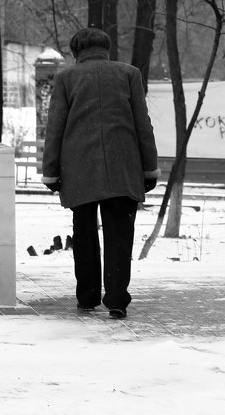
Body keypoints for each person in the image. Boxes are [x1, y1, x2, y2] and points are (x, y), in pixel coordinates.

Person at [41, 27, 160, 319]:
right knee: (120, 235)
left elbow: (55, 126)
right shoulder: (129, 74)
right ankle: (117, 298)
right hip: (123, 166)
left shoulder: (66, 78)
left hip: (79, 168)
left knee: (84, 234)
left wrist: (51, 172)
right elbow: (142, 124)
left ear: (76, 52)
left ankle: (88, 295)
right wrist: (149, 167)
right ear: (106, 48)